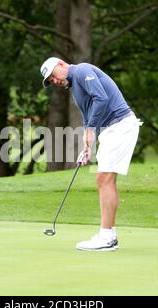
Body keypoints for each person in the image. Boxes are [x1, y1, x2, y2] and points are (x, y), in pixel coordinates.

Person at [40, 57, 142, 251]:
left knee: (103, 179)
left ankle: (106, 238)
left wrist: (90, 129)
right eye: (50, 80)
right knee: (105, 180)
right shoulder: (75, 88)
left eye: (53, 76)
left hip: (119, 125)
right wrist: (87, 147)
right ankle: (108, 235)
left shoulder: (81, 71)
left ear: (61, 64)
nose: (54, 81)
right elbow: (90, 114)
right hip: (112, 129)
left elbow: (101, 99)